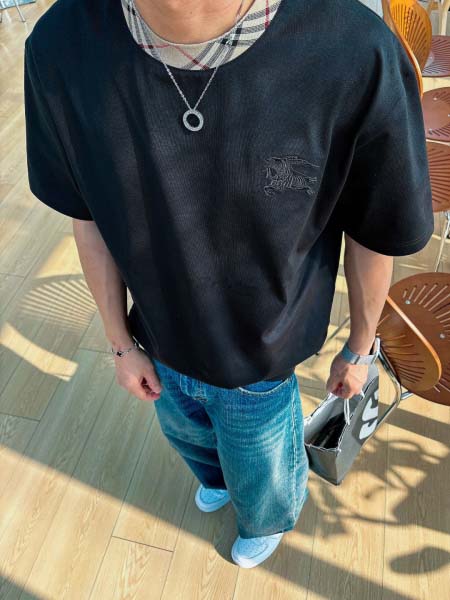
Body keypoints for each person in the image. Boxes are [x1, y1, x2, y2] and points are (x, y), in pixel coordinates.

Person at [23, 0, 433, 569]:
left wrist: (360, 350)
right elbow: (87, 214)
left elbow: (375, 230)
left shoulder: (353, 49)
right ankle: (218, 479)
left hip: (263, 360)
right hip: (158, 340)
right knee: (191, 440)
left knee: (264, 466)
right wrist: (120, 343)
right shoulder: (61, 46)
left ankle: (267, 519)